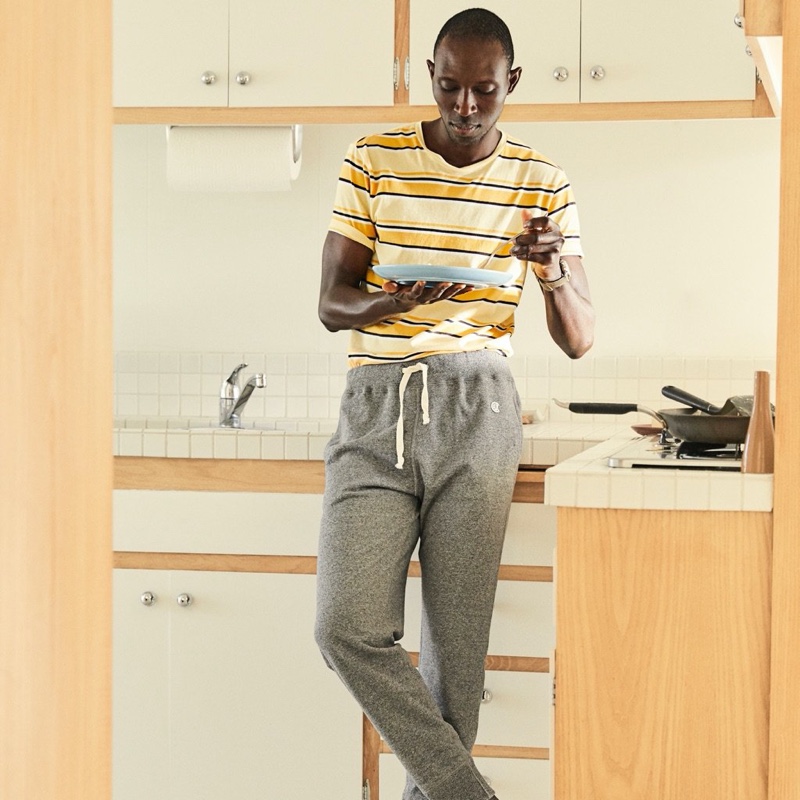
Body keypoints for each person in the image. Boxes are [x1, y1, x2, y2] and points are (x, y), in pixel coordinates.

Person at [314, 8, 594, 800]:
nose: (464, 106)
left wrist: (551, 271)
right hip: (377, 409)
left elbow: (579, 338)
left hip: (481, 412)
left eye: (481, 90)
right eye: (447, 86)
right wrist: (393, 304)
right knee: (343, 627)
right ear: (426, 75)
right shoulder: (375, 159)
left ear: (511, 83)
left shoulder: (544, 181)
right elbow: (332, 303)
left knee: (454, 676)